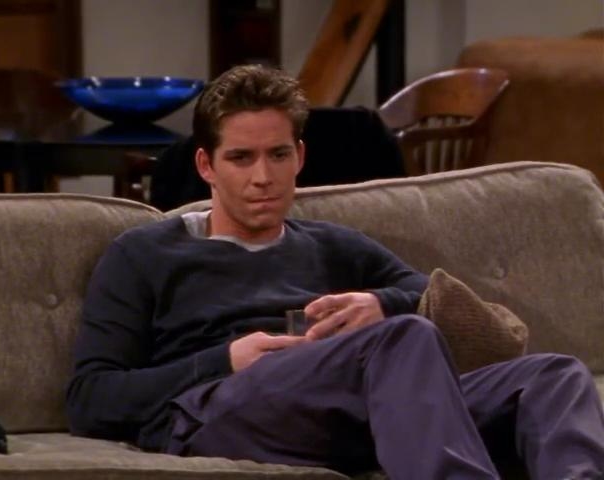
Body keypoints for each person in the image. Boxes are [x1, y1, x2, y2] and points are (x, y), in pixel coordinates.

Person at [66, 64, 604, 479]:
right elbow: (91, 399)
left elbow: (419, 290)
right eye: (242, 158)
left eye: (278, 155)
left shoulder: (332, 244)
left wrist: (380, 303)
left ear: (299, 157)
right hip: (217, 406)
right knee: (403, 338)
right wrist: (225, 360)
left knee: (552, 376)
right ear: (207, 165)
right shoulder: (144, 254)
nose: (263, 177)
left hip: (349, 406)